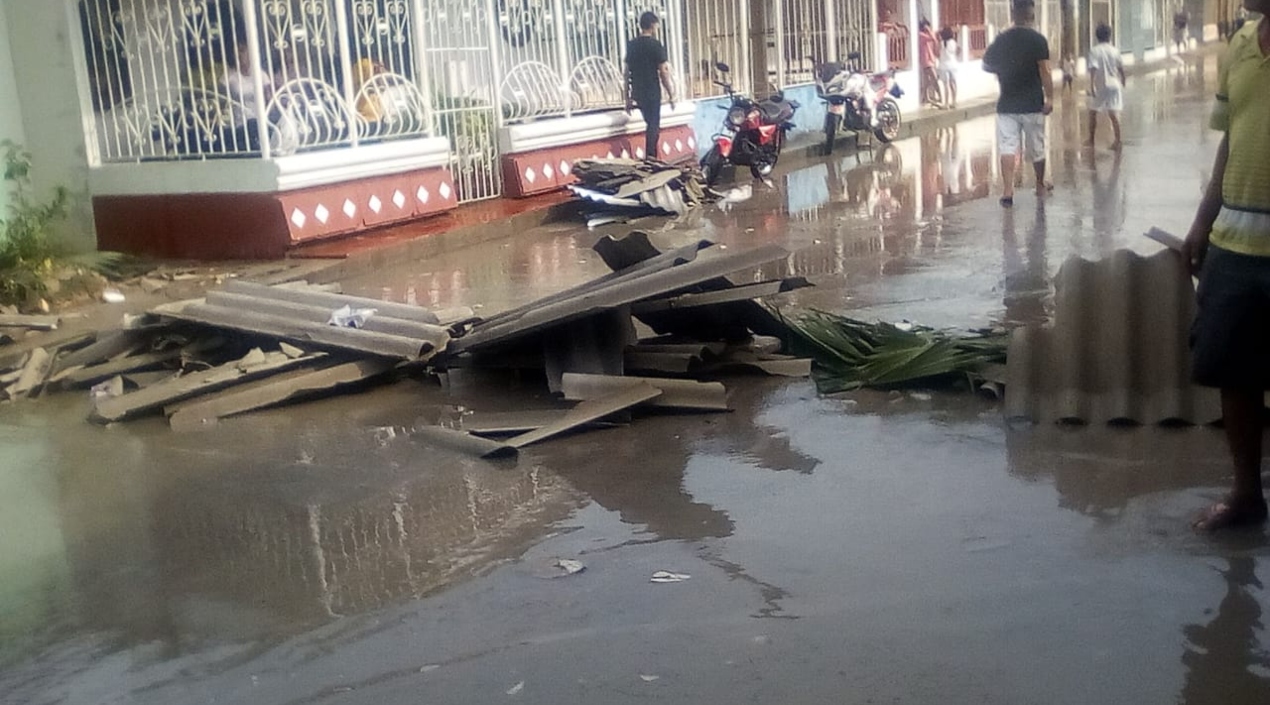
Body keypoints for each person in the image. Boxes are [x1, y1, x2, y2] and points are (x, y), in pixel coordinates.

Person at [1182, 1, 1270, 531]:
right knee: (1234, 374)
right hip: (1235, 247)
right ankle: (1245, 495)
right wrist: (1200, 225)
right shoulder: (1239, 44)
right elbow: (1232, 139)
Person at [982, 0, 1054, 207]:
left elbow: (986, 64)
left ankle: (1007, 190)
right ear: (1032, 14)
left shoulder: (1002, 39)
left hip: (1006, 104)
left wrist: (1004, 69)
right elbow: (1045, 70)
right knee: (1037, 147)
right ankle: (1040, 184)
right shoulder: (1038, 40)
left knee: (1007, 147)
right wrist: (1050, 98)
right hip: (1032, 104)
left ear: (1013, 12)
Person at [624, 11, 676, 161]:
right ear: (652, 25)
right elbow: (663, 71)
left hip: (638, 91)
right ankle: (651, 158)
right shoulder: (655, 45)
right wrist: (671, 93)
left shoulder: (632, 45)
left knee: (649, 123)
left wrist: (627, 97)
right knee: (653, 125)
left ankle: (651, 157)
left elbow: (626, 73)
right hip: (652, 90)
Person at [1086, 24, 1125, 151]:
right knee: (1114, 114)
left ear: (1097, 36)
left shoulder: (1094, 51)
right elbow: (1121, 68)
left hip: (1101, 84)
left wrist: (1091, 85)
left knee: (1093, 112)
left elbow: (1093, 68)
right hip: (1114, 84)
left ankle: (1091, 139)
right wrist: (1123, 80)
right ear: (1109, 36)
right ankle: (1118, 141)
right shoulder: (1115, 50)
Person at [918, 20, 942, 107]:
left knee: (926, 81)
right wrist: (929, 30)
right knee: (934, 78)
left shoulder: (925, 35)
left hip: (930, 59)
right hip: (926, 60)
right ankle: (940, 96)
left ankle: (925, 97)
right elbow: (933, 38)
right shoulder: (921, 35)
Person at [938, 26, 959, 109]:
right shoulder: (954, 42)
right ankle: (954, 101)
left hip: (943, 66)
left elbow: (937, 52)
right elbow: (957, 52)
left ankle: (946, 104)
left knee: (946, 85)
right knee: (953, 84)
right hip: (953, 65)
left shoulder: (942, 43)